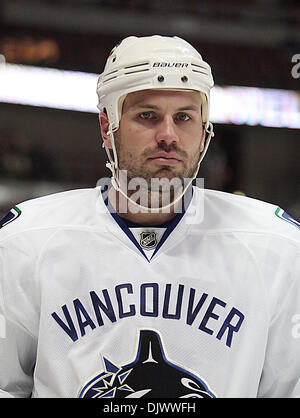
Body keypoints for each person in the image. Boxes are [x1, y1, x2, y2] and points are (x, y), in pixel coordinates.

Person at [0, 35, 299, 399]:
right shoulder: (26, 240)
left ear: (205, 134)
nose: (168, 136)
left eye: (184, 117)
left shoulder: (277, 247)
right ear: (107, 128)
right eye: (147, 115)